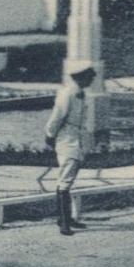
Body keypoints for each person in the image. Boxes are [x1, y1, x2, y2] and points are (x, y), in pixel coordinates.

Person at [44, 61, 99, 236]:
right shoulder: (67, 94)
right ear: (80, 77)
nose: (93, 79)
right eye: (90, 76)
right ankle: (63, 221)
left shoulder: (80, 93)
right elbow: (57, 117)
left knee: (69, 178)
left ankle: (66, 218)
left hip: (76, 140)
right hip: (66, 139)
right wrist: (50, 135)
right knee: (65, 180)